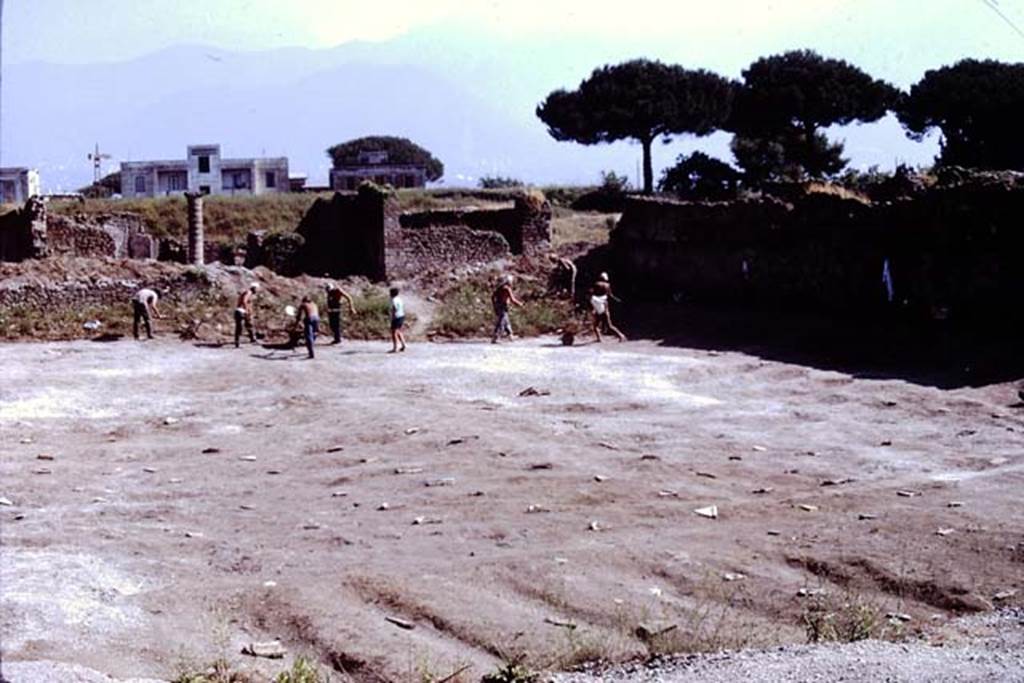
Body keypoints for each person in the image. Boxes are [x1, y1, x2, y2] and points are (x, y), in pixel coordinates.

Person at [590, 272, 626, 342]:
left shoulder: (596, 284)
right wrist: (617, 300)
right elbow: (610, 295)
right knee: (609, 325)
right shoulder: (607, 285)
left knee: (596, 326)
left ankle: (600, 339)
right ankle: (621, 336)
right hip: (605, 307)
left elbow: (592, 294)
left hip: (598, 307)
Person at [491, 275, 524, 343]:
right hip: (503, 307)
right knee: (501, 322)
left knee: (506, 322)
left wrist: (495, 305)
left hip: (498, 306)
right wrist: (520, 304)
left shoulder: (499, 289)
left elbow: (492, 297)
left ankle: (510, 335)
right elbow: (512, 299)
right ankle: (496, 337)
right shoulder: (507, 289)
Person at [233, 283, 260, 348]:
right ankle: (252, 340)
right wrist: (247, 310)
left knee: (242, 326)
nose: (257, 290)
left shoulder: (246, 292)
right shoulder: (249, 292)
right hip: (242, 311)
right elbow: (244, 301)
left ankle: (238, 342)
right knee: (247, 325)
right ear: (254, 288)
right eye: (257, 289)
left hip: (239, 311)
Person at [389, 287, 407, 353]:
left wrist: (392, 317)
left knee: (394, 332)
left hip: (396, 316)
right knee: (399, 331)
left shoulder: (393, 300)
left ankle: (395, 348)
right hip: (401, 315)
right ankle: (403, 345)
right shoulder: (399, 299)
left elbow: (394, 309)